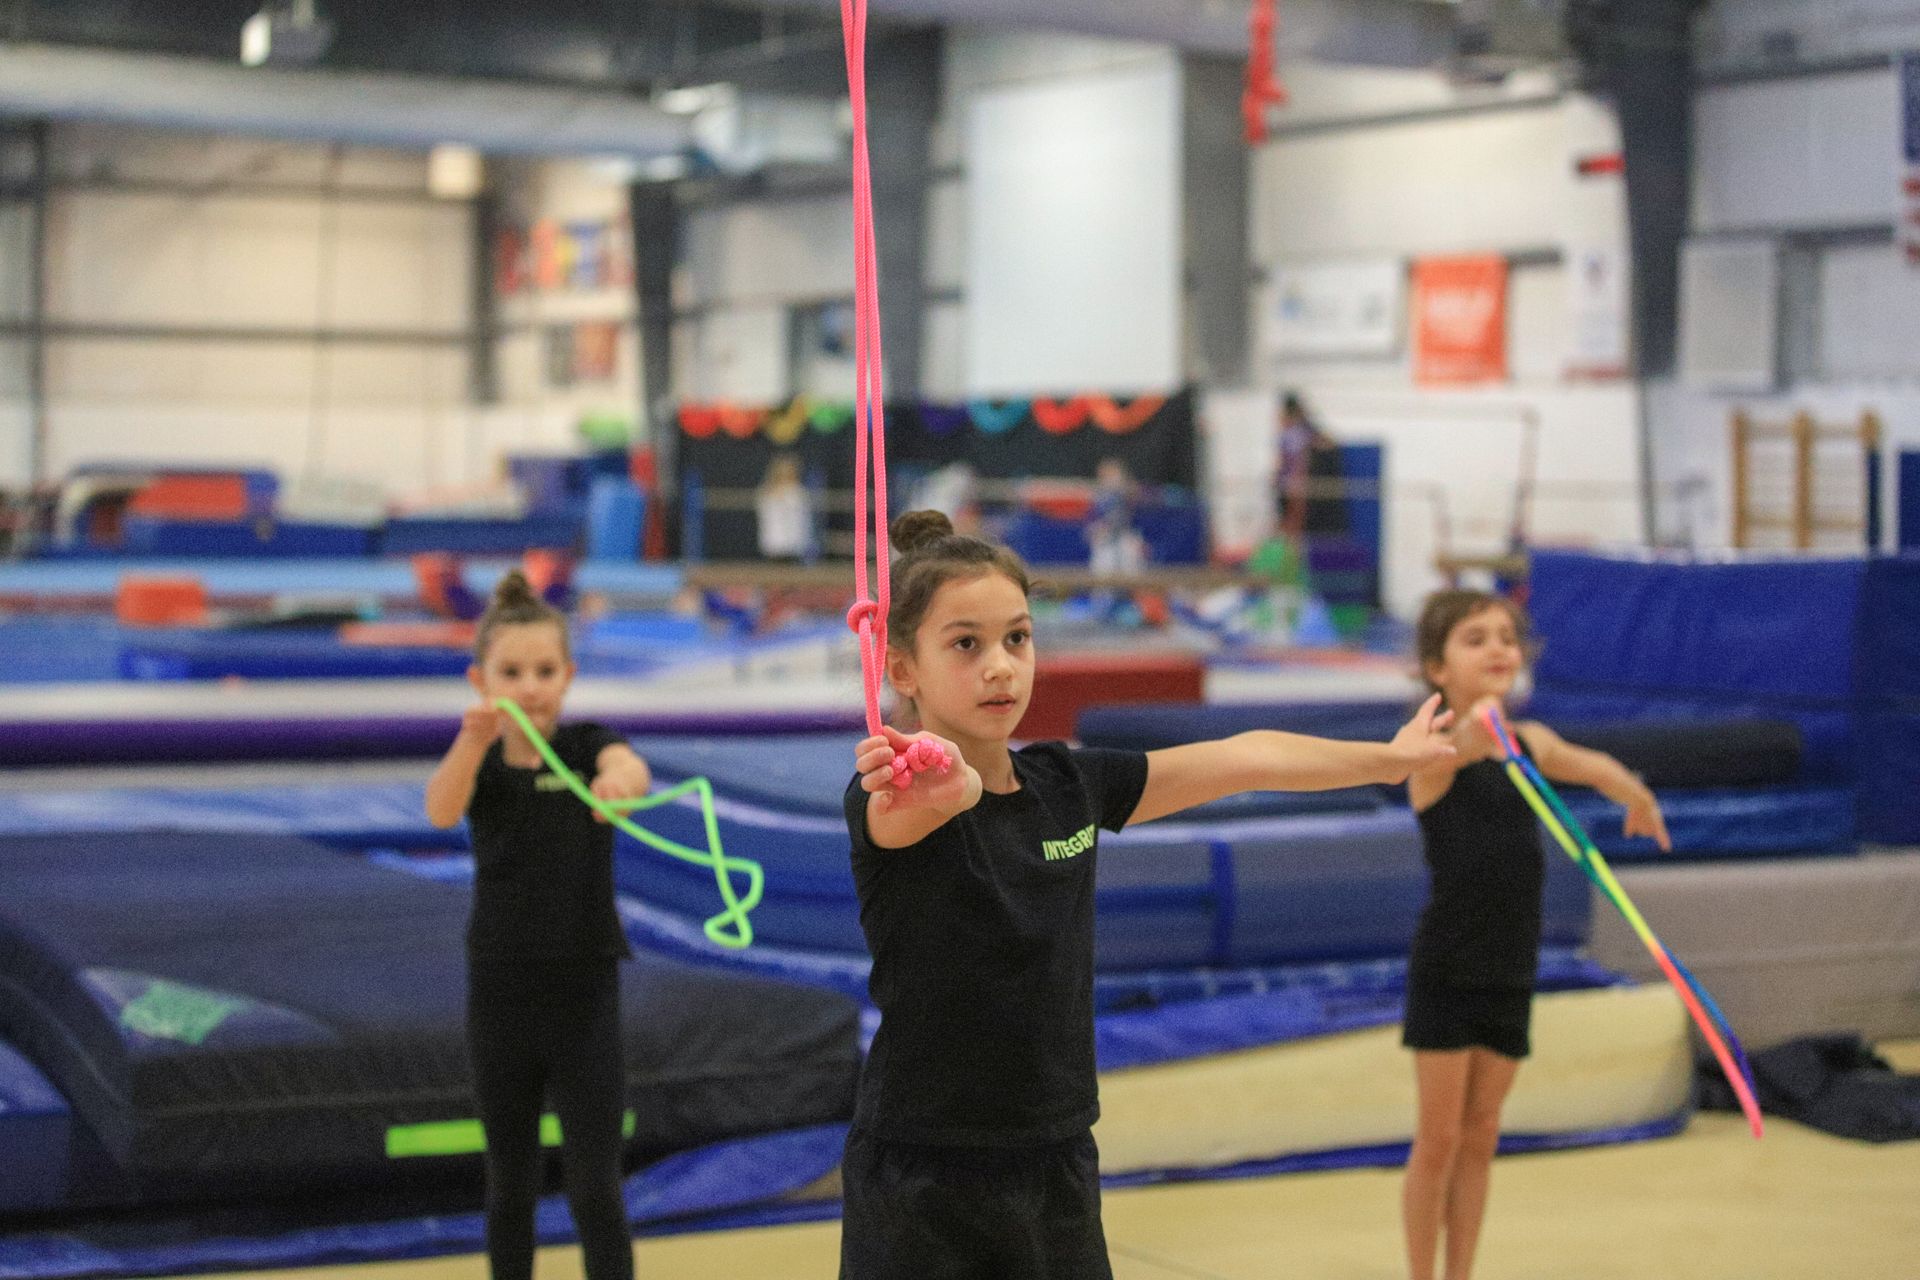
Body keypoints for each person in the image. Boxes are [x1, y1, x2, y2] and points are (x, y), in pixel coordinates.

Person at [839, 510, 1458, 1279]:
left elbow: (1247, 756)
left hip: (1057, 1152)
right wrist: (946, 789)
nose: (1000, 666)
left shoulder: (1070, 787)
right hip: (926, 1172)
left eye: (1017, 638)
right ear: (902, 669)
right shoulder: (896, 794)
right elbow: (905, 814)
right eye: (966, 644)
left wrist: (1388, 760)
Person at [1400, 589, 1671, 1280]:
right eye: (1475, 639)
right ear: (1437, 667)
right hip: (1449, 969)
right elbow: (1453, 754)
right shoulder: (1431, 752)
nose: (1497, 649)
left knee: (1482, 1133)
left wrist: (1636, 797)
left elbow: (1594, 766)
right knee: (1438, 1140)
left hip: (1511, 967)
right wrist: (1472, 736)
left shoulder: (1530, 743)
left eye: (1506, 637)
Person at [425, 571, 653, 1280]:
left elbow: (630, 765)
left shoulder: (588, 748)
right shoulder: (485, 765)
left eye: (545, 671)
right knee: (511, 1181)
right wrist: (468, 743)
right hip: (501, 994)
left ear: (569, 676)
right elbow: (439, 808)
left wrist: (622, 783)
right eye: (512, 673)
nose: (530, 687)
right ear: (480, 680)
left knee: (594, 1184)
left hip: (584, 995)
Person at [1276, 391, 1350, 542]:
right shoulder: (1292, 433)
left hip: (1297, 484)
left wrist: (1296, 480)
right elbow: (1285, 460)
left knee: (1295, 523)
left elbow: (1299, 459)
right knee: (1291, 523)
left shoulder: (1300, 432)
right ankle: (1289, 548)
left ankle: (1292, 549)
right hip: (1290, 483)